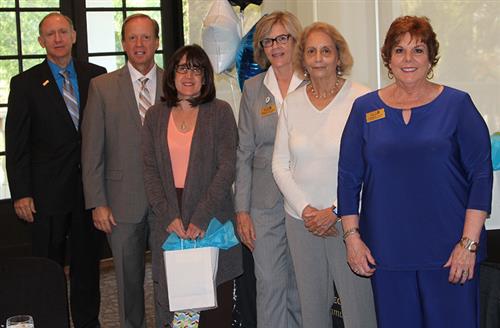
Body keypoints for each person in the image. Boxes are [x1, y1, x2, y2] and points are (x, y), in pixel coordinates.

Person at [337, 16, 492, 328]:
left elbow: (480, 175)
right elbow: (348, 177)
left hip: (451, 252)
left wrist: (468, 244)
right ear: (388, 58)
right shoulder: (364, 109)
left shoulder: (458, 105)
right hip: (387, 252)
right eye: (399, 51)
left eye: (418, 50)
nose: (408, 59)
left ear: (431, 57)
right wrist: (352, 239)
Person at [272, 22, 377, 327]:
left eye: (326, 51)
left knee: (359, 309)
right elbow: (279, 164)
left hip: (348, 221)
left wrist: (334, 210)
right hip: (301, 221)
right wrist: (306, 210)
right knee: (313, 309)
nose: (319, 57)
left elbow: (369, 164)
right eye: (311, 51)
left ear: (338, 56)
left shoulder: (362, 99)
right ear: (302, 58)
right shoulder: (291, 103)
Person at [5, 12, 106, 328]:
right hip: (46, 194)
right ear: (41, 41)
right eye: (50, 34)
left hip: (89, 190)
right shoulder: (25, 83)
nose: (58, 38)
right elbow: (17, 143)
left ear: (74, 35)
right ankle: (50, 321)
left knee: (87, 265)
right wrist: (21, 192)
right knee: (47, 266)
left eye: (63, 31)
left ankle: (88, 322)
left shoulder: (98, 76)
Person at [142, 44, 242, 328]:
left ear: (206, 77)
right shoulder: (154, 115)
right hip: (168, 217)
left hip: (212, 216)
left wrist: (200, 217)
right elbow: (149, 170)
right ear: (172, 74)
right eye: (182, 67)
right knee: (177, 305)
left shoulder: (220, 112)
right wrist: (167, 216)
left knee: (214, 304)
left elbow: (227, 168)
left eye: (196, 68)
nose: (189, 75)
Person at [81, 13, 163, 328]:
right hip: (120, 203)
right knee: (128, 284)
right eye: (132, 37)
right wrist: (97, 202)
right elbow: (91, 150)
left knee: (170, 281)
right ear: (124, 43)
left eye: (146, 37)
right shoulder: (101, 87)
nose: (139, 44)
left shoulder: (175, 83)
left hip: (168, 203)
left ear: (156, 42)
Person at [234, 11, 303, 328]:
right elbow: (244, 151)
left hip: (306, 200)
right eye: (268, 40)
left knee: (304, 286)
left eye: (282, 38)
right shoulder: (252, 88)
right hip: (263, 203)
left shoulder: (313, 80)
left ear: (295, 39)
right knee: (270, 285)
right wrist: (242, 210)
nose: (275, 46)